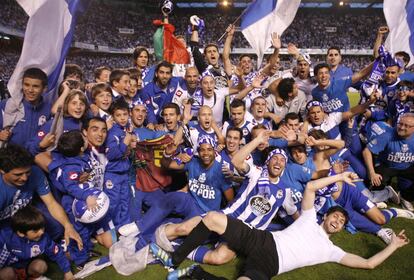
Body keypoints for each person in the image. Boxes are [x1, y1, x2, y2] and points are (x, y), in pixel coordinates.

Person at [150, 171, 410, 280]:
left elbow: (368, 264)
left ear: (340, 229)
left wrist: (395, 246)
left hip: (270, 265)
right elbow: (310, 187)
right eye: (335, 216)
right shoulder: (310, 219)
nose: (337, 221)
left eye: (341, 222)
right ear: (326, 216)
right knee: (212, 219)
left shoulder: (332, 251)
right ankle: (175, 259)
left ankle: (195, 273)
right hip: (262, 240)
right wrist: (341, 176)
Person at [0, 144, 82, 250]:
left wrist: (68, 226)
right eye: (18, 174)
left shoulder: (35, 172)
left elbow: (51, 203)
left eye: (27, 172)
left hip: (24, 218)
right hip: (5, 224)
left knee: (57, 227)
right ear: (2, 171)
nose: (24, 178)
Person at [0, 206, 74, 280]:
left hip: (26, 268)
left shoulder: (44, 238)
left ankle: (32, 277)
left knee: (41, 266)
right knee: (7, 273)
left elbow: (57, 253)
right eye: (35, 231)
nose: (42, 232)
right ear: (21, 233)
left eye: (42, 227)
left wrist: (67, 272)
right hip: (8, 268)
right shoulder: (6, 236)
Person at [363, 113, 414, 211]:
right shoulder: (387, 135)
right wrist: (372, 173)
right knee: (377, 180)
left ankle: (405, 197)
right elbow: (366, 151)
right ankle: (385, 194)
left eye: (406, 126)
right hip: (387, 166)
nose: (402, 127)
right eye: (400, 124)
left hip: (407, 167)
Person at [104, 99, 137, 229]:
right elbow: (111, 155)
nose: (122, 118)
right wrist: (125, 143)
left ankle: (124, 228)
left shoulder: (126, 131)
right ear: (113, 117)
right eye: (118, 115)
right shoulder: (112, 133)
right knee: (113, 203)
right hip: (112, 174)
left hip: (124, 173)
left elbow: (126, 153)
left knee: (125, 201)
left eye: (124, 114)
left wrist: (131, 146)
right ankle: (111, 228)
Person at [0, 68, 51, 147]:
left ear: (44, 89)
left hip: (36, 156)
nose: (30, 90)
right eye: (26, 85)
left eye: (35, 86)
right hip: (11, 156)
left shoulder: (49, 109)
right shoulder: (6, 105)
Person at [140, 61, 180, 125]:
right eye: (161, 72)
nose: (164, 76)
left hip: (171, 121)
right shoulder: (147, 90)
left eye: (167, 73)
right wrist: (153, 124)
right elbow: (149, 109)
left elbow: (190, 79)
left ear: (171, 75)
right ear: (156, 74)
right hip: (157, 122)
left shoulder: (176, 82)